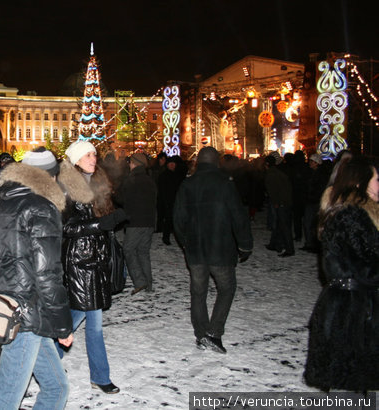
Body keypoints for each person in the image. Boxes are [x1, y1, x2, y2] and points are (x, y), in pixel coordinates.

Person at [0, 147, 73, 410]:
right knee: (5, 400)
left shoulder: (2, 203)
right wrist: (63, 325)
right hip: (26, 311)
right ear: (50, 177)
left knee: (57, 388)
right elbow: (48, 274)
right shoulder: (42, 208)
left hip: (10, 306)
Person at [304, 157, 379, 392]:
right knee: (350, 380)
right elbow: (366, 264)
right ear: (360, 183)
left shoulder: (347, 212)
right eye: (377, 179)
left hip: (348, 303)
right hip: (353, 310)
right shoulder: (353, 217)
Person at [57, 140, 127, 394]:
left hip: (96, 261)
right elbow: (66, 228)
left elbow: (98, 218)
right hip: (79, 263)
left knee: (79, 316)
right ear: (75, 159)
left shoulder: (96, 182)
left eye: (94, 154)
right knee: (93, 323)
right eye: (87, 155)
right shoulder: (65, 186)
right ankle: (100, 376)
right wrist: (101, 225)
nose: (93, 158)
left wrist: (115, 215)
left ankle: (48, 359)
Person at [173, 147, 253, 354]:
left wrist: (185, 242)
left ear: (198, 162)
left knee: (198, 291)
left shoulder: (187, 184)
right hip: (221, 248)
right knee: (226, 288)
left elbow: (178, 219)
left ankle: (201, 333)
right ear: (217, 162)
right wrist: (244, 244)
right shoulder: (225, 184)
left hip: (196, 249)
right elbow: (238, 216)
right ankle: (214, 332)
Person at [115, 152, 157, 294]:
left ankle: (140, 282)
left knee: (128, 250)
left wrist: (115, 193)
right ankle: (148, 284)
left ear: (134, 163)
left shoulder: (131, 179)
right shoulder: (149, 180)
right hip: (149, 221)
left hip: (135, 221)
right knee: (143, 252)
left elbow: (122, 199)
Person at [264, 154, 295, 257]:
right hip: (285, 202)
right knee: (279, 224)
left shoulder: (271, 174)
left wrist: (277, 202)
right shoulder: (277, 172)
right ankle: (275, 244)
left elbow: (273, 191)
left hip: (282, 203)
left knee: (284, 226)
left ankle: (289, 249)